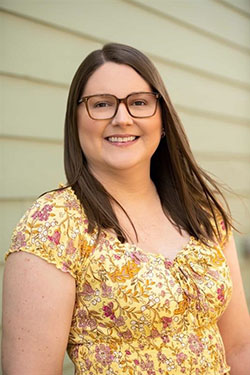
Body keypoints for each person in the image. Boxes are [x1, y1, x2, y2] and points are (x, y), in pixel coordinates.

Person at [2, 43, 250, 375]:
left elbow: (239, 346)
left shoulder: (202, 212)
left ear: (162, 119)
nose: (122, 118)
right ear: (76, 120)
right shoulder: (53, 224)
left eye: (139, 103)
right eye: (102, 104)